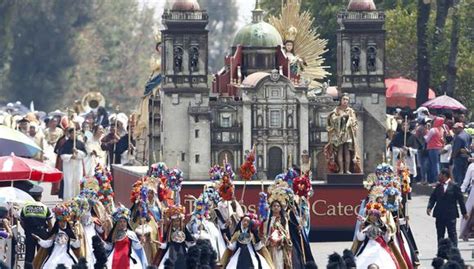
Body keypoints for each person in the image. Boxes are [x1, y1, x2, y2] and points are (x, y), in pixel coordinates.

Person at [427, 168, 468, 247]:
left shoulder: (454, 186)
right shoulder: (438, 186)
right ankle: (441, 251)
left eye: (440, 175)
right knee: (440, 233)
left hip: (451, 215)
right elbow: (433, 198)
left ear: (445, 175)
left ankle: (454, 251)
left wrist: (464, 213)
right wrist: (429, 207)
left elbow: (461, 200)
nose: (439, 176)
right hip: (440, 214)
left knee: (452, 233)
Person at [326, 94, 359, 174]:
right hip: (338, 134)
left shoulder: (350, 111)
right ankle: (341, 170)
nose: (345, 101)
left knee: (347, 151)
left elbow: (354, 122)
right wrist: (340, 117)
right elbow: (332, 120)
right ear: (340, 100)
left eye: (347, 99)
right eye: (344, 99)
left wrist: (349, 119)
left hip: (347, 133)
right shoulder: (336, 110)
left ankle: (347, 170)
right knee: (340, 151)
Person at [20, 185, 53, 265]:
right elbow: (50, 224)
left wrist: (27, 230)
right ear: (40, 196)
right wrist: (50, 235)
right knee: (41, 255)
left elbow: (22, 222)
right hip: (42, 233)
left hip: (30, 233)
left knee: (29, 256)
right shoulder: (45, 208)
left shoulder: (25, 208)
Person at [60, 128, 87, 200]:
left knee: (78, 181)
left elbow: (84, 154)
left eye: (75, 133)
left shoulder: (80, 144)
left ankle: (78, 198)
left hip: (78, 165)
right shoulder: (65, 144)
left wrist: (77, 151)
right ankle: (68, 199)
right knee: (69, 181)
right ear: (69, 134)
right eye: (72, 133)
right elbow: (62, 155)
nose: (74, 135)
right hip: (68, 165)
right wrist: (70, 156)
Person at [424, 117, 445, 184]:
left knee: (434, 165)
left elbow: (427, 139)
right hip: (439, 148)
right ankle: (437, 179)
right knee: (437, 164)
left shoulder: (433, 130)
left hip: (432, 148)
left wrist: (427, 131)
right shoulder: (442, 129)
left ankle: (436, 179)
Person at [460, 159, 474, 241]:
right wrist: (462, 190)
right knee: (469, 210)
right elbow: (466, 180)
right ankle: (465, 232)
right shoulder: (472, 166)